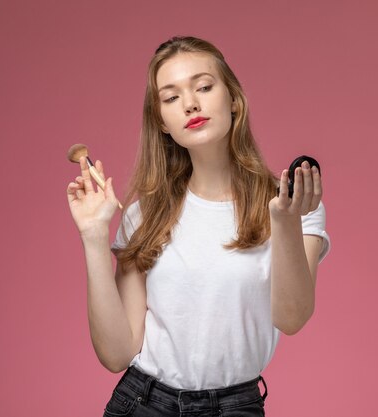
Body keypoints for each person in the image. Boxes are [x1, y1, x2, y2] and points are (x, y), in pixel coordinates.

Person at [66, 35, 331, 417]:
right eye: (171, 97)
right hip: (143, 403)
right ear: (162, 121)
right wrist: (93, 237)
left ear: (234, 99)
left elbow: (291, 318)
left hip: (236, 406)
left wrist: (285, 223)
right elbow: (116, 353)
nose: (190, 103)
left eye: (204, 87)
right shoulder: (143, 215)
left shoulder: (290, 206)